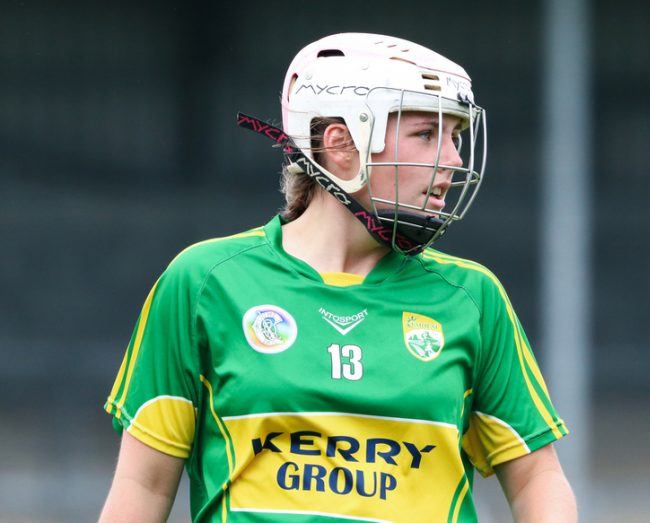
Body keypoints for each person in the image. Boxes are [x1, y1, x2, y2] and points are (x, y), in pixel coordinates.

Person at [99, 33, 576, 523]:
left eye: (455, 137)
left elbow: (537, 478)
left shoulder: (472, 298)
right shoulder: (204, 283)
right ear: (341, 144)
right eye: (426, 135)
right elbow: (144, 485)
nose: (453, 162)